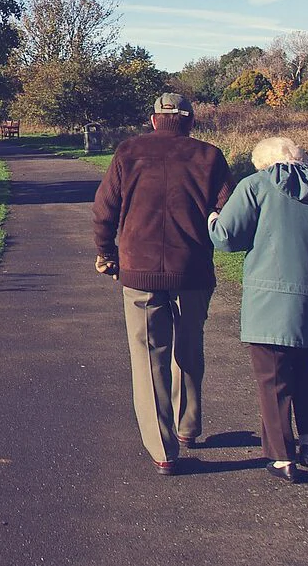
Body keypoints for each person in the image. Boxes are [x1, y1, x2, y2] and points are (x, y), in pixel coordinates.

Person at [208, 136, 308, 483]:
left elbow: (226, 238)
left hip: (268, 304)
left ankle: (282, 457)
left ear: (263, 164)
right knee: (305, 368)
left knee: (273, 378)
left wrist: (212, 219)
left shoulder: (255, 186)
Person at [92, 93, 235, 475]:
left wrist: (106, 252)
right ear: (190, 121)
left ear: (154, 119)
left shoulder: (128, 152)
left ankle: (163, 450)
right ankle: (187, 426)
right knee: (189, 347)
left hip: (138, 269)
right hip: (192, 269)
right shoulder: (210, 156)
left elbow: (104, 208)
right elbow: (227, 212)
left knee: (148, 357)